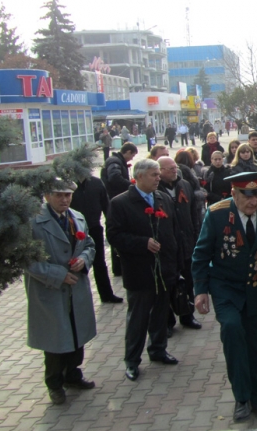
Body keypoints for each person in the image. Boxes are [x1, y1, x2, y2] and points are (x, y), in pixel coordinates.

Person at [192, 172, 257, 423]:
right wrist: (200, 291)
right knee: (231, 329)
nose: (253, 202)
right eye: (246, 196)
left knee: (253, 343)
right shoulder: (216, 214)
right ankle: (241, 398)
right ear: (234, 195)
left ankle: (256, 398)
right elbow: (201, 254)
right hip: (226, 287)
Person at [106, 159, 181, 382]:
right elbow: (114, 236)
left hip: (164, 269)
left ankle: (158, 349)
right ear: (138, 177)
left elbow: (173, 232)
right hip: (140, 270)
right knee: (138, 318)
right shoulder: (121, 203)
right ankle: (132, 360)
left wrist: (175, 264)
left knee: (160, 313)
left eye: (159, 174)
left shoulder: (163, 198)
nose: (158, 178)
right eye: (153, 174)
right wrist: (142, 243)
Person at [27, 178, 97, 405]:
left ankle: (73, 375)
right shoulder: (34, 222)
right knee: (55, 342)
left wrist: (84, 260)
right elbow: (26, 260)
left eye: (68, 194)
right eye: (59, 194)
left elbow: (89, 244)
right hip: (50, 291)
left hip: (76, 288)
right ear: (47, 195)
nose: (64, 199)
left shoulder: (77, 217)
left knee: (77, 335)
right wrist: (56, 275)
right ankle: (55, 384)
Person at [158, 156, 202, 337]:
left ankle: (187, 314)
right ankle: (167, 321)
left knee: (189, 280)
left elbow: (194, 213)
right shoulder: (156, 189)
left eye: (174, 167)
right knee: (168, 283)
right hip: (167, 246)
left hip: (187, 242)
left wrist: (195, 234)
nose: (174, 170)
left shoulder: (184, 185)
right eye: (169, 169)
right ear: (159, 172)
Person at [71, 174, 122, 303]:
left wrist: (111, 223)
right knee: (76, 263)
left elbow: (106, 204)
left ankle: (106, 295)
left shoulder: (96, 182)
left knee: (99, 263)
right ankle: (76, 299)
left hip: (94, 227)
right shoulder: (68, 183)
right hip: (73, 230)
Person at [101, 141, 138, 277]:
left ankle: (119, 266)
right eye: (132, 156)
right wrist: (131, 187)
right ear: (127, 152)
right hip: (114, 199)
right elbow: (114, 178)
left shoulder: (115, 161)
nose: (131, 159)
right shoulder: (115, 162)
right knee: (117, 230)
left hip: (114, 198)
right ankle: (118, 266)